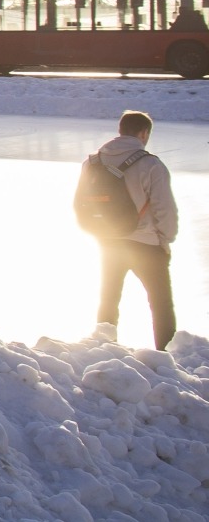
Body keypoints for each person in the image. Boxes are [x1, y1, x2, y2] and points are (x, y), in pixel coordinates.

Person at [91, 110, 179, 348]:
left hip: (108, 242)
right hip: (146, 244)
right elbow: (164, 209)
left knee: (108, 299)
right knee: (160, 304)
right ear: (143, 133)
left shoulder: (94, 161)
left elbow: (82, 203)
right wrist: (166, 240)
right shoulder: (151, 164)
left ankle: (103, 349)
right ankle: (165, 355)